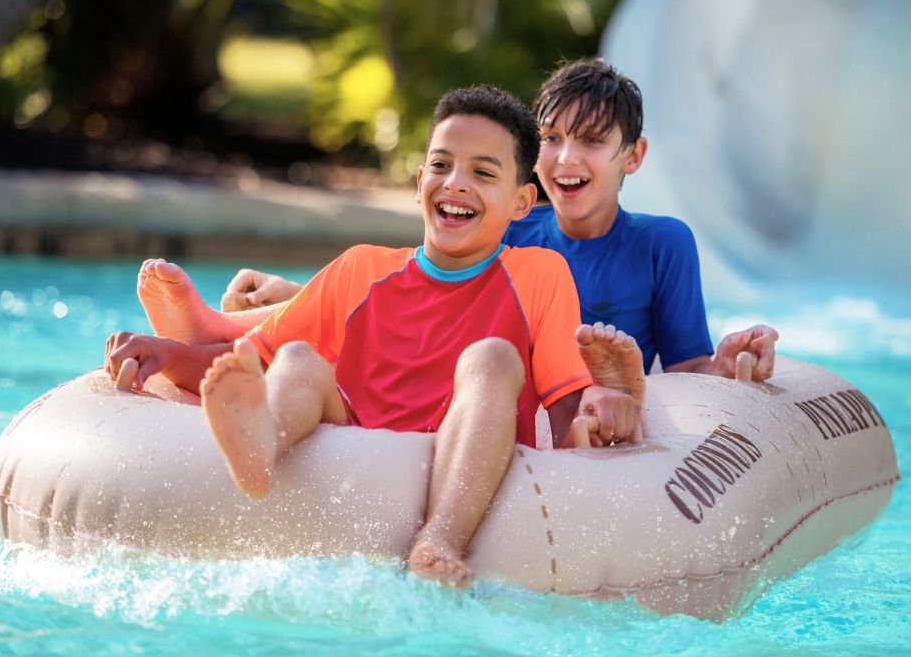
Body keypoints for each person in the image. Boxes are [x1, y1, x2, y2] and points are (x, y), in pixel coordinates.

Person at [104, 85, 646, 586]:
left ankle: (439, 540)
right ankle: (260, 444)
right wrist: (166, 355)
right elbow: (244, 360)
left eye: (483, 173)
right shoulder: (359, 268)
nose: (455, 183)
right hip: (357, 436)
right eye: (441, 165)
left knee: (494, 358)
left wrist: (604, 412)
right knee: (294, 357)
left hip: (468, 452)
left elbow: (564, 408)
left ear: (522, 203)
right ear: (419, 184)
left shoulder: (539, 275)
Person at [220, 58, 779, 381]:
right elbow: (411, 294)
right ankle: (218, 333)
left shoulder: (661, 244)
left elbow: (686, 374)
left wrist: (726, 364)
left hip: (588, 403)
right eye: (552, 139)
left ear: (633, 156)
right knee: (294, 342)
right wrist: (294, 294)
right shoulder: (512, 229)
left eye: (591, 142)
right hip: (493, 389)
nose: (565, 159)